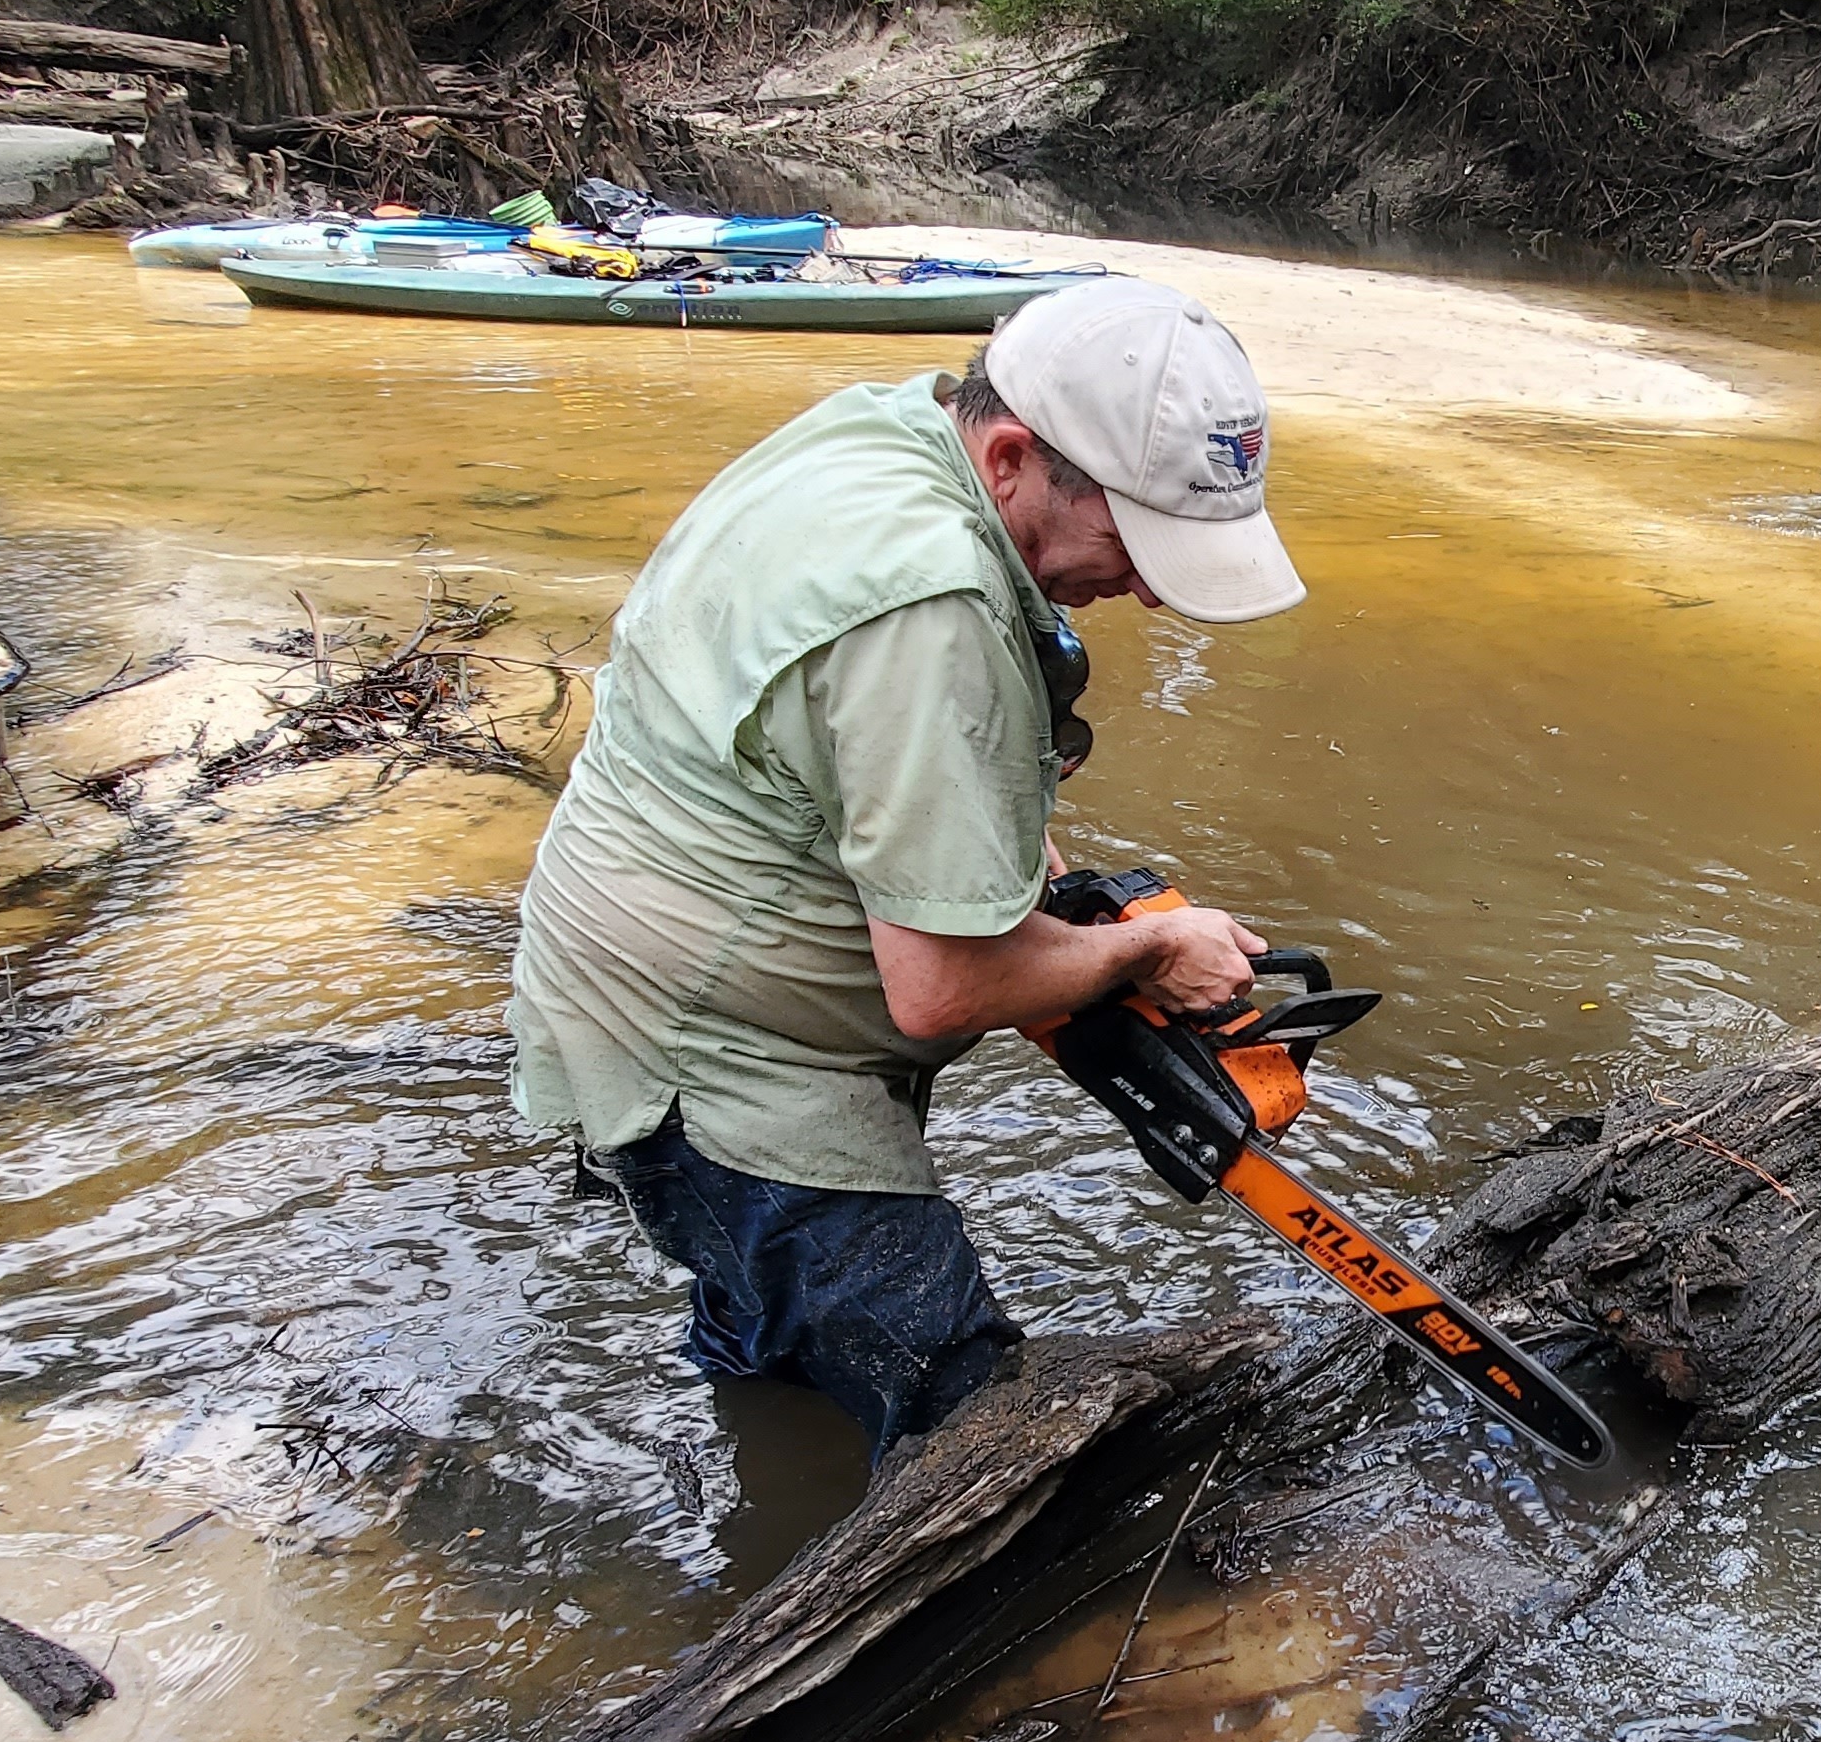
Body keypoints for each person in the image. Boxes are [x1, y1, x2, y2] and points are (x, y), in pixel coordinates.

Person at [506, 277, 1296, 1462]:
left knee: (767, 1334)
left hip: (624, 971)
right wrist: (1144, 948)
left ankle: (770, 1465)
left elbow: (852, 744)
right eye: (1135, 540)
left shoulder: (889, 430)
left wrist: (1028, 877)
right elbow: (945, 988)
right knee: (967, 1423)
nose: (1143, 586)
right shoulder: (928, 604)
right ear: (1019, 455)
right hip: (722, 1069)